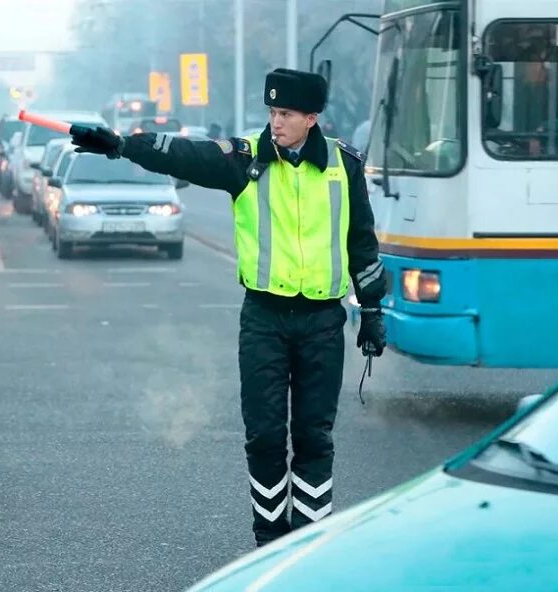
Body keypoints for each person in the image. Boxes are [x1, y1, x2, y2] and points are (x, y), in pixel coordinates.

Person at [70, 68, 387, 547]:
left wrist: (373, 311)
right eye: (272, 112)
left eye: (285, 114)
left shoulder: (345, 166)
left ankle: (309, 542)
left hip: (323, 322)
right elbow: (187, 153)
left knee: (314, 438)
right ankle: (269, 540)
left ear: (311, 118)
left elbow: (361, 241)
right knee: (263, 436)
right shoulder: (246, 159)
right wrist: (121, 144)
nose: (275, 122)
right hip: (264, 320)